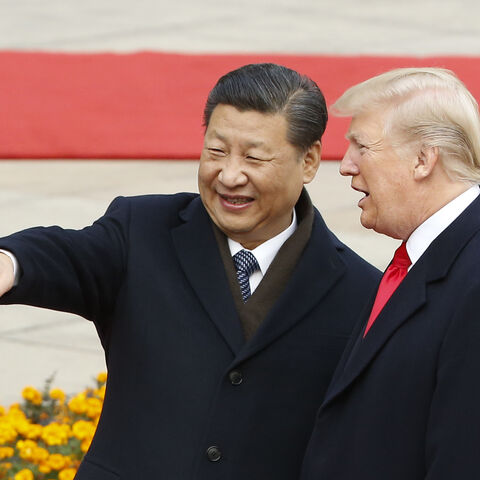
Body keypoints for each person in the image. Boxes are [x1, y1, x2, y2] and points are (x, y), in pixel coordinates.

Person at [0, 63, 379, 480]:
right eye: (216, 151)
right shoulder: (142, 230)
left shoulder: (360, 291)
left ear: (308, 161)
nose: (230, 175)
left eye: (254, 157)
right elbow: (67, 255)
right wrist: (11, 262)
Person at [301, 67, 480, 480]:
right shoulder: (422, 259)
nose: (346, 166)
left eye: (361, 147)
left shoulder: (471, 278)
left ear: (423, 160)